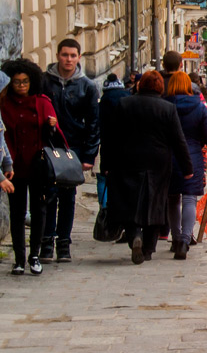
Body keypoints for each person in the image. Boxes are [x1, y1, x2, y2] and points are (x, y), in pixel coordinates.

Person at [113, 72, 192, 264]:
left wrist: (108, 163)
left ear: (140, 86)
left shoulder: (125, 104)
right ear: (159, 88)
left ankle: (134, 235)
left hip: (129, 158)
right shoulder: (167, 108)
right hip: (158, 161)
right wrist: (187, 167)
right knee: (156, 202)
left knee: (131, 200)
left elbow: (113, 135)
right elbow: (178, 140)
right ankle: (148, 248)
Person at [42, 38, 100, 262]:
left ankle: (63, 244)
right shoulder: (45, 82)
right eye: (65, 55)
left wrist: (89, 155)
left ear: (78, 58)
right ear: (58, 55)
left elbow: (94, 123)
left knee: (68, 197)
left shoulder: (86, 85)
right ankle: (46, 242)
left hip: (73, 148)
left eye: (73, 56)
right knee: (48, 196)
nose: (68, 59)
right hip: (48, 146)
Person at [0, 60, 58, 275]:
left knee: (39, 210)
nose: (21, 86)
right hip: (13, 167)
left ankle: (35, 255)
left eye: (25, 81)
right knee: (16, 213)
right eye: (16, 82)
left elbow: (53, 137)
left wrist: (51, 127)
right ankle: (18, 259)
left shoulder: (41, 102)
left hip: (38, 164)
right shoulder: (4, 104)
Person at [164, 72, 207, 259]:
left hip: (168, 157)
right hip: (193, 156)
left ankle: (175, 237)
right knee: (189, 198)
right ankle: (185, 240)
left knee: (172, 198)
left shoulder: (164, 105)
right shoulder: (198, 107)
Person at [99, 73, 131, 244]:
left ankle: (112, 221)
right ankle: (129, 227)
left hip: (112, 150)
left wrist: (104, 162)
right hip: (130, 151)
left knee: (112, 188)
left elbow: (103, 132)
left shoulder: (105, 101)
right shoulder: (128, 96)